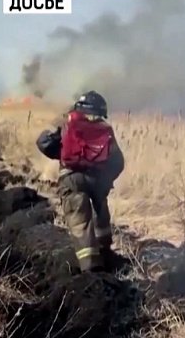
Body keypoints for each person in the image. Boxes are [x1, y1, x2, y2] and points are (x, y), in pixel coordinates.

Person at [36, 90, 125, 273]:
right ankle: (106, 252)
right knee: (101, 212)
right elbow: (118, 161)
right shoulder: (104, 128)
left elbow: (43, 142)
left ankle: (91, 268)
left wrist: (61, 154)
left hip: (71, 178)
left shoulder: (67, 122)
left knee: (80, 221)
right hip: (98, 179)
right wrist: (106, 180)